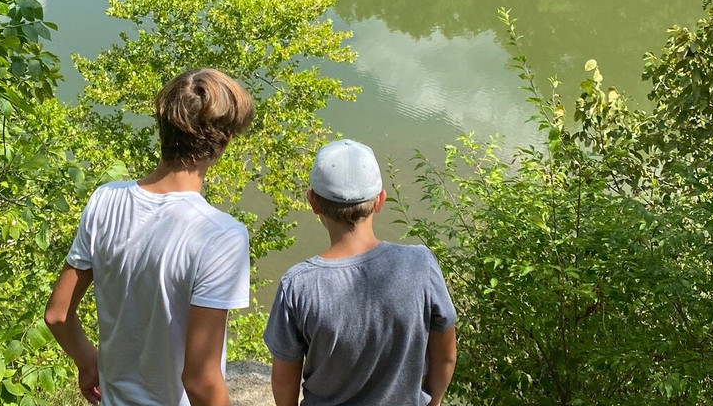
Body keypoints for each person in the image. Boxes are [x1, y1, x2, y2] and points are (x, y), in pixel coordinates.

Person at [45, 68, 256, 406]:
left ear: (164, 128)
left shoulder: (105, 200)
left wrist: (88, 363)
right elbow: (200, 379)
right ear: (225, 142)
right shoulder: (221, 235)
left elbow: (57, 315)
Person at [263, 139, 457, 406]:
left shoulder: (298, 285)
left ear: (313, 203)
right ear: (380, 200)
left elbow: (285, 379)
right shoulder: (420, 265)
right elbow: (446, 356)